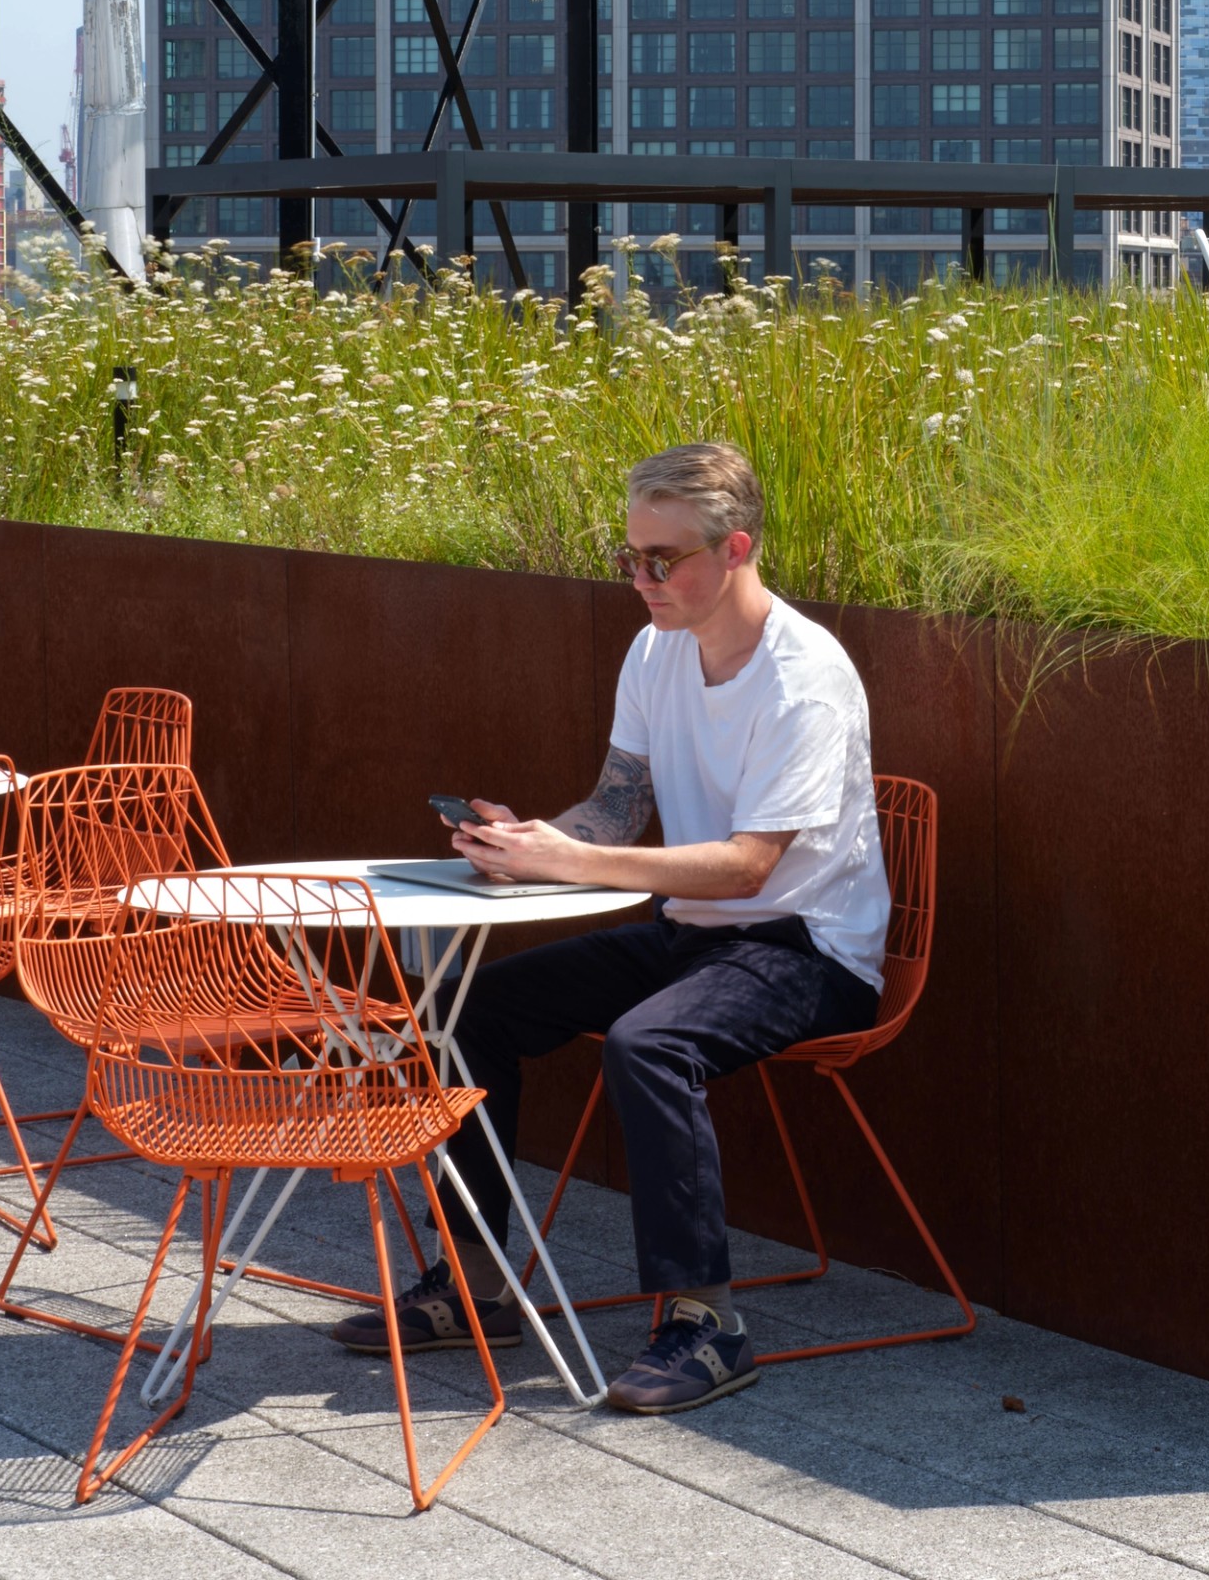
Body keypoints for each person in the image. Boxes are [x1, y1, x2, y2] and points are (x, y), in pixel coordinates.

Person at [343, 439, 888, 1414]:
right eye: (627, 557)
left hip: (807, 943)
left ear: (735, 550)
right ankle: (473, 1284)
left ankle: (706, 1325)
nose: (639, 580)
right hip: (697, 929)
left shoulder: (803, 677)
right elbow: (619, 805)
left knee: (650, 1044)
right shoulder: (655, 648)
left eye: (661, 559)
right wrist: (532, 840)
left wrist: (579, 861)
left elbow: (751, 865)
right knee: (472, 1009)